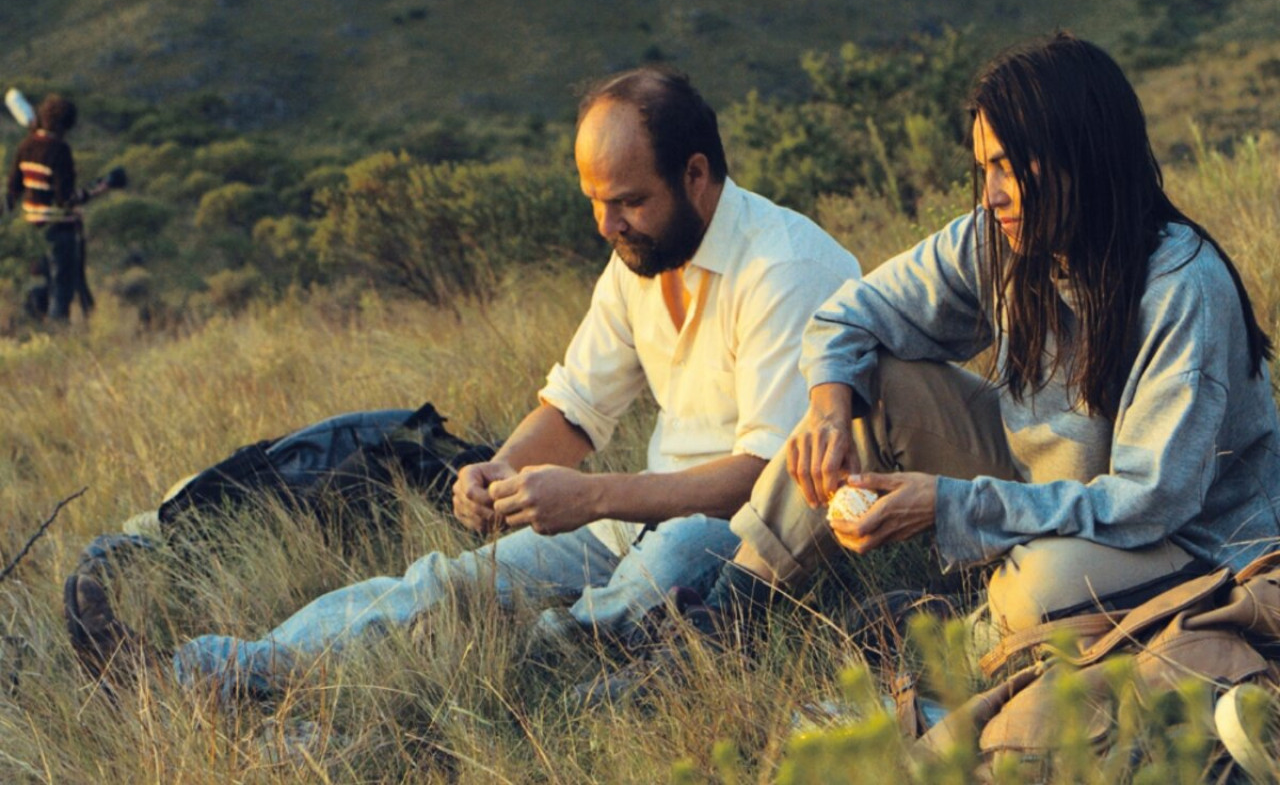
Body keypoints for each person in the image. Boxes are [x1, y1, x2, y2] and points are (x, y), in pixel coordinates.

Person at [65, 66, 862, 698]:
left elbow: (764, 480)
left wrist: (591, 497)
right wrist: (503, 468)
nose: (606, 226)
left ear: (695, 175)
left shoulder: (782, 267)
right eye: (593, 203)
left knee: (670, 563)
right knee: (446, 584)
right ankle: (199, 675)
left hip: (757, 537)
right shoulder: (640, 259)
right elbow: (576, 410)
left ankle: (536, 660)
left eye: (627, 202)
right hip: (636, 520)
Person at [599, 32, 1280, 697]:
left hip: (1188, 538)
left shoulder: (1182, 288)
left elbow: (1147, 503)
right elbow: (848, 316)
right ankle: (722, 622)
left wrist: (952, 504)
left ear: (1085, 157)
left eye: (1013, 166)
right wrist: (830, 407)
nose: (993, 194)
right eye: (985, 167)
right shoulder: (1001, 238)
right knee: (875, 385)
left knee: (1043, 592)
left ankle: (946, 631)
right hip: (1046, 486)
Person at [5, 94, 108, 322]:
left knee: (39, 285)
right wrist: (98, 190)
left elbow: (13, 188)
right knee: (62, 288)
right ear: (66, 124)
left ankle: (33, 333)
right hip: (59, 229)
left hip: (32, 228)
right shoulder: (60, 150)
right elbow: (65, 199)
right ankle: (57, 336)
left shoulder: (26, 146)